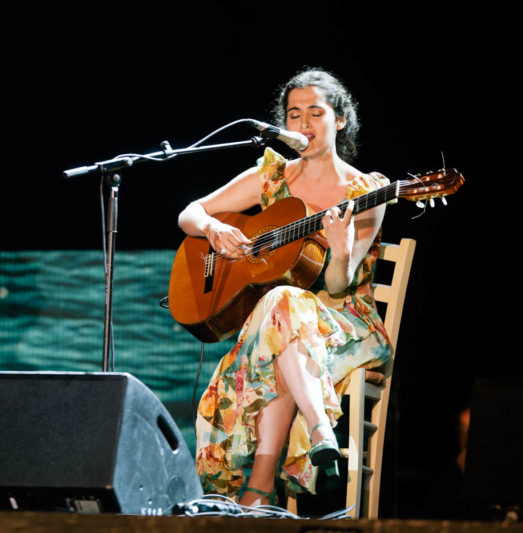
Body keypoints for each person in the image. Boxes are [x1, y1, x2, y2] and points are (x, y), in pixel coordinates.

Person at [177, 67, 393, 507]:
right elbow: (189, 213)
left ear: (340, 120)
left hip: (344, 324)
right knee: (282, 310)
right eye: (294, 115)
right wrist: (214, 229)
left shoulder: (366, 191)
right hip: (279, 325)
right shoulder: (272, 177)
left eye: (316, 112)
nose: (305, 124)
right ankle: (319, 436)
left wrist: (341, 249)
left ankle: (261, 485)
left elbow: (335, 284)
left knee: (282, 308)